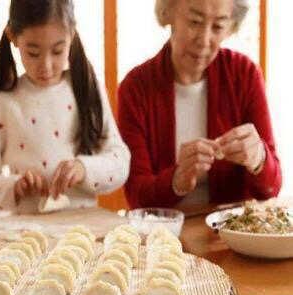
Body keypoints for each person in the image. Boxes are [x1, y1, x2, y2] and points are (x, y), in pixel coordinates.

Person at [0, 0, 130, 214]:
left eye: (57, 51)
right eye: (33, 53)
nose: (46, 65)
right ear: (13, 38)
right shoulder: (3, 104)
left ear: (71, 35)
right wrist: (15, 186)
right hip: (26, 233)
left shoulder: (89, 91)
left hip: (84, 230)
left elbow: (120, 161)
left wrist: (83, 169)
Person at [118, 0, 281, 209]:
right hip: (165, 234)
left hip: (229, 235)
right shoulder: (135, 87)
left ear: (231, 27)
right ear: (167, 12)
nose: (204, 40)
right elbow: (137, 197)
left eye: (218, 27)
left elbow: (272, 188)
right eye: (195, 22)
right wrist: (176, 181)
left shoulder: (245, 74)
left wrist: (259, 158)